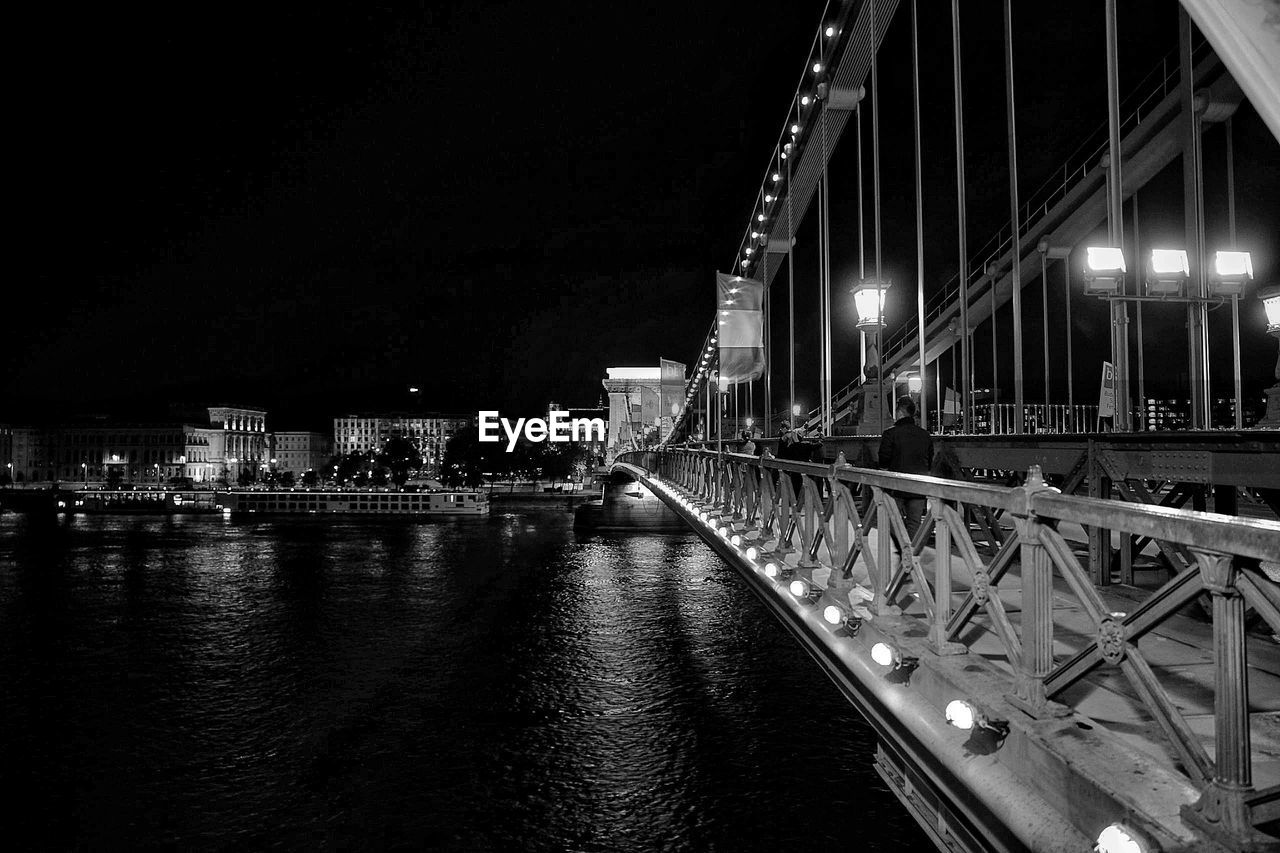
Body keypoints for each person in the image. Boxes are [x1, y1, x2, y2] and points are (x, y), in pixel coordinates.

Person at [878, 395, 933, 548]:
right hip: (918, 486)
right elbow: (930, 461)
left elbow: (883, 461)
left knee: (892, 519)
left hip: (896, 487)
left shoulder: (890, 434)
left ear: (900, 412)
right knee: (914, 523)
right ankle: (911, 555)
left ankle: (902, 549)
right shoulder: (925, 435)